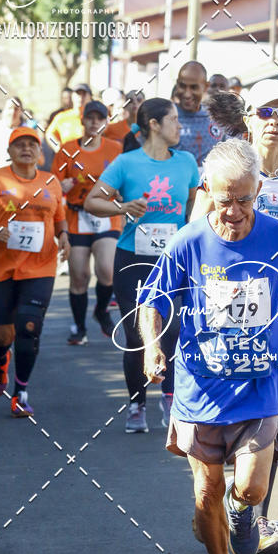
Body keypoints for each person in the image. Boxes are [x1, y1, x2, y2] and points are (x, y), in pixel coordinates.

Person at [138, 139, 278, 554]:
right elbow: (152, 301)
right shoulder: (189, 242)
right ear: (206, 191)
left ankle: (243, 516)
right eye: (224, 200)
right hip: (201, 389)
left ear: (258, 189)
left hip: (260, 385)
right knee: (204, 495)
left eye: (244, 200)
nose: (234, 212)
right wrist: (154, 346)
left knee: (251, 488)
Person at [192, 79, 278, 554]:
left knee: (268, 415)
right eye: (265, 111)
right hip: (219, 306)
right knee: (219, 415)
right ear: (248, 117)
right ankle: (213, 501)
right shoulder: (223, 168)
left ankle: (254, 515)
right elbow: (196, 230)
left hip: (275, 309)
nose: (274, 121)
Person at [84, 98, 199, 432]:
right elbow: (92, 200)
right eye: (174, 120)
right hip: (133, 258)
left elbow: (194, 205)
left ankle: (170, 400)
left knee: (174, 330)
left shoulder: (187, 162)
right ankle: (136, 404)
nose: (180, 126)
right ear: (154, 124)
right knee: (137, 334)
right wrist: (121, 207)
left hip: (174, 260)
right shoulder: (126, 163)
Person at [0, 128, 69, 417]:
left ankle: (21, 392)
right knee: (2, 334)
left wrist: (65, 237)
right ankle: (0, 359)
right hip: (1, 267)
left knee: (29, 328)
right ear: (9, 151)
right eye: (19, 145)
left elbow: (60, 218)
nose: (26, 149)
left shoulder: (51, 181)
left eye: (32, 144)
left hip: (41, 266)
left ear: (40, 152)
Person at [53, 100, 122, 344]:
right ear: (82, 120)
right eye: (90, 118)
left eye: (99, 118)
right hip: (76, 216)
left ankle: (101, 310)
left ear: (105, 122)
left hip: (106, 215)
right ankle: (79, 327)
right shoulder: (67, 149)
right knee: (79, 275)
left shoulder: (115, 149)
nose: (94, 122)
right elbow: (53, 183)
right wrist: (61, 186)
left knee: (106, 269)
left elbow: (124, 179)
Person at [174, 61, 224, 166]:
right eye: (182, 86)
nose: (187, 94)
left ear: (206, 87)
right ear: (177, 83)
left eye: (194, 87)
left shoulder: (216, 119)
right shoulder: (164, 117)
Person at [45, 83, 92, 151]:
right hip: (68, 157)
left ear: (90, 97)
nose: (80, 97)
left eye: (84, 94)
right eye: (78, 94)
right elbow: (49, 134)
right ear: (72, 96)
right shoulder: (62, 117)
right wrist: (58, 148)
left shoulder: (96, 118)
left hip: (89, 157)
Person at [0, 97, 26, 170]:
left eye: (16, 109)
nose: (13, 112)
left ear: (21, 111)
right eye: (10, 108)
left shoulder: (27, 131)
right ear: (4, 110)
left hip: (19, 174)